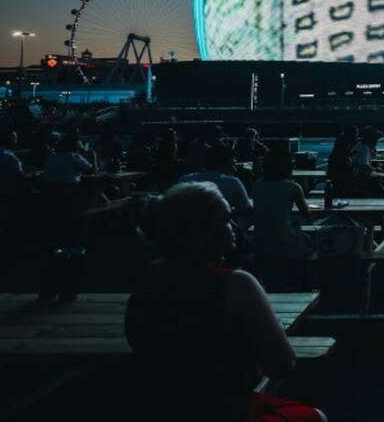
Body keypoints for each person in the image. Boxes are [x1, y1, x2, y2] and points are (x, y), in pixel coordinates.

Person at [126, 182, 327, 422]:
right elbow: (281, 365)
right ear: (196, 231)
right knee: (314, 417)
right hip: (225, 410)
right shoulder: (235, 284)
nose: (233, 226)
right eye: (224, 219)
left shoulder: (145, 286)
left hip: (159, 409)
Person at [251, 147, 312, 290]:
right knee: (308, 242)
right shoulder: (293, 187)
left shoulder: (257, 185)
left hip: (260, 241)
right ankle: (303, 286)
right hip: (285, 242)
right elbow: (307, 215)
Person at [180, 143, 252, 220]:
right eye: (233, 164)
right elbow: (246, 209)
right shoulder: (231, 182)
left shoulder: (185, 179)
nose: (235, 169)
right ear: (223, 163)